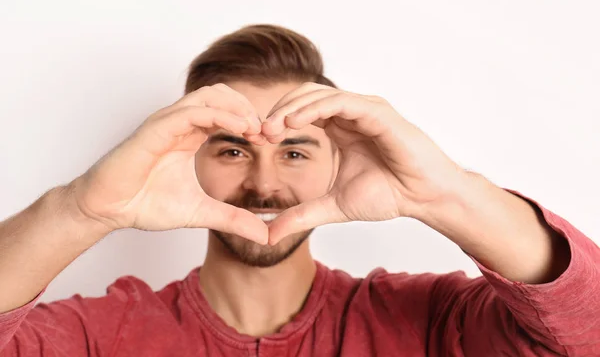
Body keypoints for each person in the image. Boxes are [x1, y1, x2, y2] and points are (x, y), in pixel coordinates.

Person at [0, 24, 598, 357]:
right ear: (189, 162)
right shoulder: (99, 336)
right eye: (233, 150)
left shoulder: (434, 323)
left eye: (294, 152)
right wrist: (81, 208)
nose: (264, 184)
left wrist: (446, 195)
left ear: (338, 165)